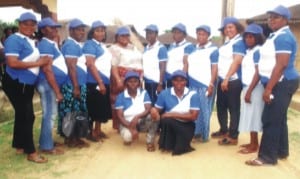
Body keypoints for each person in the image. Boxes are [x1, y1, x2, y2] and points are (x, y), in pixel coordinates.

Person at [246, 5, 299, 166]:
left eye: (276, 17)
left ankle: (267, 157)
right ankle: (282, 151)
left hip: (281, 82)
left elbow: (281, 64)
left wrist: (268, 88)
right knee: (279, 118)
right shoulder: (275, 35)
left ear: (285, 20)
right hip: (279, 81)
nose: (271, 20)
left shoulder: (284, 37)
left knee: (270, 119)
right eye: (270, 17)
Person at [1, 12, 50, 163]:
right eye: (25, 24)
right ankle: (31, 152)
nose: (29, 27)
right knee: (27, 116)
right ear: (19, 25)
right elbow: (12, 63)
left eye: (32, 24)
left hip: (26, 83)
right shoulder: (14, 40)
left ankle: (19, 145)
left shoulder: (28, 40)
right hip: (17, 82)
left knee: (22, 114)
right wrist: (38, 63)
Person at [211, 17, 246, 146]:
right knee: (221, 106)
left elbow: (237, 61)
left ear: (237, 28)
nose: (228, 30)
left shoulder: (239, 42)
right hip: (223, 80)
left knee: (233, 108)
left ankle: (233, 136)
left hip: (232, 80)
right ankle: (224, 130)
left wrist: (226, 78)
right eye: (226, 28)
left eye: (231, 27)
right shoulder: (227, 43)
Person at [36, 17, 67, 155]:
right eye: (51, 27)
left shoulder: (51, 43)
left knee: (51, 114)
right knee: (49, 114)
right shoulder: (44, 45)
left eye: (56, 27)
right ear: (43, 30)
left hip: (50, 84)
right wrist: (57, 91)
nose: (55, 29)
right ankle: (46, 146)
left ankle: (47, 141)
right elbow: (47, 70)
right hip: (47, 84)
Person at [151, 70, 200, 155]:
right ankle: (167, 145)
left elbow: (194, 116)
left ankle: (178, 142)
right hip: (170, 124)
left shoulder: (193, 95)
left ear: (186, 81)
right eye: (176, 80)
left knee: (168, 119)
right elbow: (156, 109)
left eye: (182, 80)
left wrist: (171, 114)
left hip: (186, 125)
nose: (179, 82)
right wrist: (154, 111)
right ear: (172, 81)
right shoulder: (165, 93)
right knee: (166, 121)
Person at [184, 25, 218, 142]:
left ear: (208, 36)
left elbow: (214, 68)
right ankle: (195, 132)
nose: (201, 36)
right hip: (192, 83)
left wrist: (211, 84)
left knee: (204, 110)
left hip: (204, 84)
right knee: (193, 109)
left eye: (203, 34)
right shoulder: (192, 49)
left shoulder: (213, 49)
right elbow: (187, 65)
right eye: (199, 34)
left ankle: (203, 135)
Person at [59, 18, 89, 148]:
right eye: (78, 29)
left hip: (78, 84)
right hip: (72, 85)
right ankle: (70, 139)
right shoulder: (70, 45)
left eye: (83, 30)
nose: (81, 32)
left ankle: (75, 137)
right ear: (70, 31)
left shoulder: (76, 45)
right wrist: (76, 86)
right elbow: (71, 66)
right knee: (70, 112)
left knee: (77, 112)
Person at [109, 26, 143, 130]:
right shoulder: (114, 48)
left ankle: (134, 123)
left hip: (137, 76)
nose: (125, 37)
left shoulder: (133, 47)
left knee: (135, 99)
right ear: (117, 37)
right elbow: (114, 66)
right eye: (122, 35)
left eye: (127, 35)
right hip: (123, 77)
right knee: (121, 100)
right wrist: (118, 80)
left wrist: (140, 77)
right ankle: (121, 126)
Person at [83, 20, 112, 141]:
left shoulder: (102, 46)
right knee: (93, 107)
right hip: (94, 81)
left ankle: (98, 130)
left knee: (101, 106)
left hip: (104, 80)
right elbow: (90, 64)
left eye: (102, 30)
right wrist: (99, 82)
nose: (101, 33)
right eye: (97, 30)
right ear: (92, 32)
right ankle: (91, 132)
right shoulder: (90, 44)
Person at [115, 71, 159, 151]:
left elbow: (148, 108)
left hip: (141, 121)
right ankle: (129, 134)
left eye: (135, 81)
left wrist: (137, 117)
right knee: (127, 138)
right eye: (130, 81)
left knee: (154, 116)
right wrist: (131, 128)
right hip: (127, 123)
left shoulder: (144, 93)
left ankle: (150, 142)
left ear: (139, 83)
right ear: (126, 83)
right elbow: (120, 116)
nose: (133, 84)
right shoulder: (121, 96)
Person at [238, 23, 265, 154]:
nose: (248, 39)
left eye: (251, 37)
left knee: (254, 116)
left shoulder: (258, 51)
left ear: (258, 38)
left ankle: (255, 145)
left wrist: (249, 91)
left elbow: (258, 73)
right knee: (249, 115)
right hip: (247, 86)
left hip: (255, 88)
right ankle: (252, 142)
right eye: (246, 37)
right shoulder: (249, 51)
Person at [142, 24, 168, 105]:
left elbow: (163, 67)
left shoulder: (161, 48)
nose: (148, 35)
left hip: (156, 83)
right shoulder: (146, 48)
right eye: (147, 33)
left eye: (150, 33)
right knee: (149, 105)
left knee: (156, 107)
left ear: (156, 34)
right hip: (147, 82)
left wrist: (160, 84)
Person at [165, 23, 194, 87]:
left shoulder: (188, 46)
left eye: (178, 33)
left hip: (179, 80)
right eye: (174, 32)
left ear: (184, 35)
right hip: (169, 78)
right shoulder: (171, 46)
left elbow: (186, 63)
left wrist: (181, 80)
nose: (176, 35)